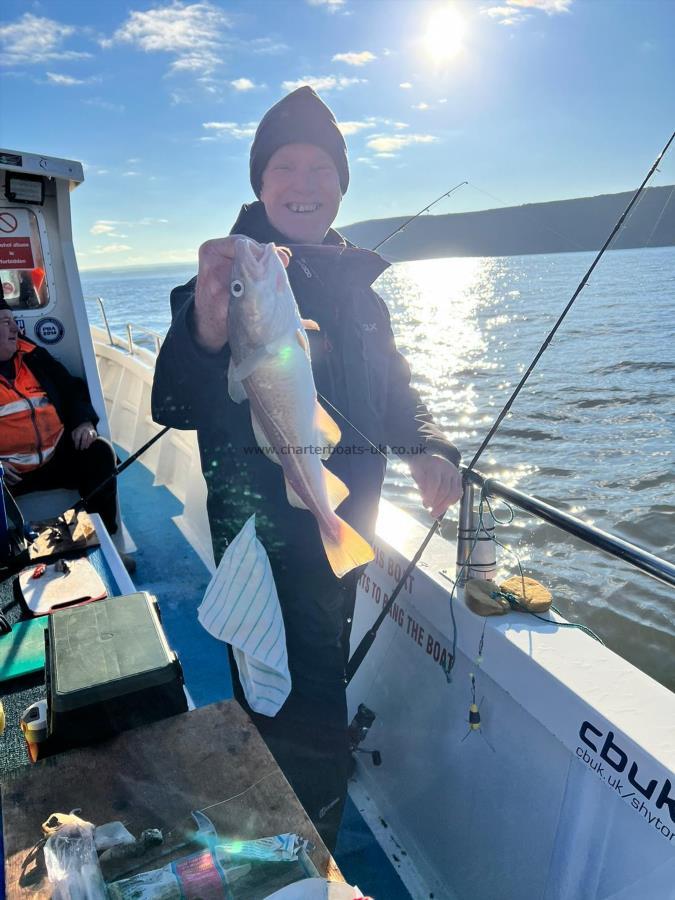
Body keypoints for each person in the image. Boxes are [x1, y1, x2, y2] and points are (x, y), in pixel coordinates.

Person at [151, 86, 462, 851]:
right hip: (265, 541)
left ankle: (300, 825)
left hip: (342, 529)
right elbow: (174, 398)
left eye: (320, 167)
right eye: (284, 166)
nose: (302, 183)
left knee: (316, 688)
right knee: (279, 699)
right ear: (259, 184)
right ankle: (298, 849)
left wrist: (428, 444)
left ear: (341, 184)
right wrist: (206, 319)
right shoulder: (228, 275)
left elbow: (393, 389)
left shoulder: (362, 293)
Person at [0, 300, 118, 535]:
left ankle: (105, 542)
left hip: (56, 456)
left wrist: (84, 422)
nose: (16, 329)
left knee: (100, 453)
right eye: (6, 323)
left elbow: (72, 388)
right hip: (8, 473)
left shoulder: (34, 357)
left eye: (15, 322)